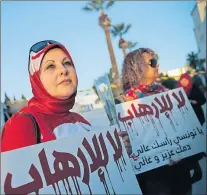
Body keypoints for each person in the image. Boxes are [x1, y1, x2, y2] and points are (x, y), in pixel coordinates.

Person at [1, 40, 131, 155]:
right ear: (36, 79)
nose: (63, 70)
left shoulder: (81, 122)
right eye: (50, 66)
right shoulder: (21, 124)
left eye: (67, 63)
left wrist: (117, 152)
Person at [115, 48, 197, 195]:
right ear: (136, 68)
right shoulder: (123, 103)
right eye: (152, 62)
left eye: (156, 61)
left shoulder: (168, 93)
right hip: (154, 179)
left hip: (181, 172)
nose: (157, 65)